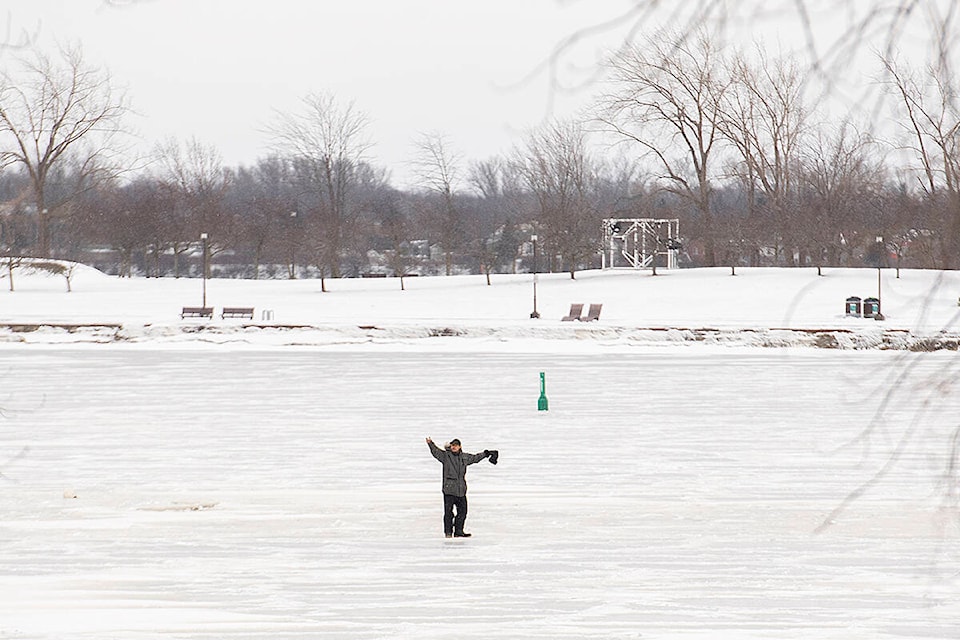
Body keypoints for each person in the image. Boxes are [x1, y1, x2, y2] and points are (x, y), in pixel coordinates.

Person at [425, 437, 498, 538]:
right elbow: (435, 452)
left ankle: (459, 531)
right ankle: (448, 532)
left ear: (460, 446)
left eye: (456, 445)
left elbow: (475, 458)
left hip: (461, 490)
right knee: (448, 513)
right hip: (449, 490)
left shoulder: (464, 457)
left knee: (463, 512)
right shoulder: (446, 456)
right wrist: (430, 443)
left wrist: (486, 454)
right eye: (452, 445)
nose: (454, 447)